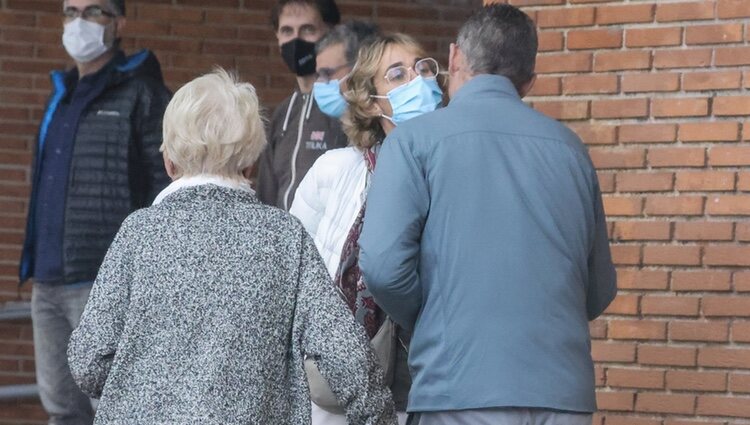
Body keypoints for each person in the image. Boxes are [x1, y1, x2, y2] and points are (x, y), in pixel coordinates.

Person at [66, 68, 398, 425]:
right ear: (252, 162)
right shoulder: (284, 237)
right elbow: (347, 357)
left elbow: (89, 363)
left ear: (169, 162)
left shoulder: (139, 232)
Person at [359, 5, 618, 425]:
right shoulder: (571, 150)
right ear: (529, 81)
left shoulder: (413, 143)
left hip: (457, 387)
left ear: (454, 57)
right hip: (563, 392)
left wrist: (434, 314)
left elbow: (383, 266)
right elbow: (599, 287)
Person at [18, 0, 171, 423]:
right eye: (70, 12)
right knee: (61, 410)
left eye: (92, 12)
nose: (78, 23)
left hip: (105, 281)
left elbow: (165, 187)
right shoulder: (62, 95)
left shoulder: (143, 94)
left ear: (118, 23)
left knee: (115, 408)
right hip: (47, 280)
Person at [291, 32, 444, 425]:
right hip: (341, 388)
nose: (417, 81)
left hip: (431, 382)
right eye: (397, 75)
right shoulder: (335, 171)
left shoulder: (455, 170)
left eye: (422, 68)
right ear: (372, 101)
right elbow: (290, 277)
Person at [256, 0, 349, 210]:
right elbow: (266, 196)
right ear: (277, 37)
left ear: (331, 34)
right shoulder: (282, 114)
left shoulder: (346, 109)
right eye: (287, 31)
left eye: (307, 29)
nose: (296, 40)